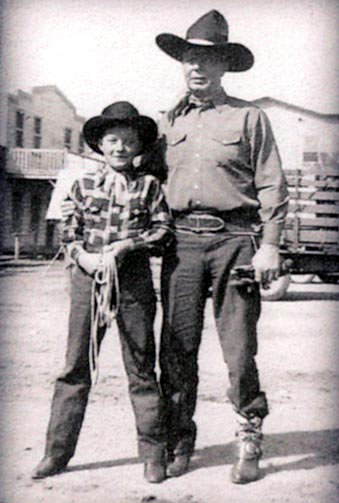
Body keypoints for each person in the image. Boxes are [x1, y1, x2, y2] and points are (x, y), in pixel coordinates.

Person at [155, 10, 289, 483]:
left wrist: (270, 246)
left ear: (224, 66)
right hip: (182, 245)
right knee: (176, 347)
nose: (197, 67)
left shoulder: (250, 117)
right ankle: (179, 438)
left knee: (238, 350)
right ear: (182, 63)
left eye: (208, 59)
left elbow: (273, 185)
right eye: (190, 57)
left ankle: (249, 438)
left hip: (236, 242)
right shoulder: (167, 122)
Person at [32, 101, 172, 483]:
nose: (120, 148)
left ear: (139, 146)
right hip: (88, 281)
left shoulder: (149, 186)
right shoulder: (81, 184)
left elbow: (163, 231)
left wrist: (128, 246)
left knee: (141, 367)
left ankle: (153, 453)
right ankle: (56, 453)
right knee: (75, 367)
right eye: (113, 140)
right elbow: (68, 231)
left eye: (128, 141)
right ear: (100, 144)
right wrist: (82, 256)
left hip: (133, 283)